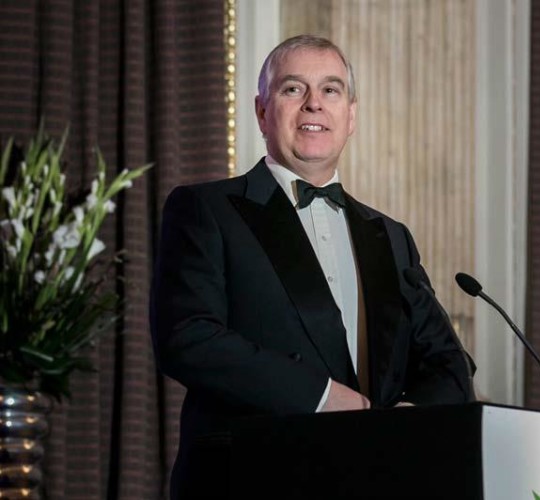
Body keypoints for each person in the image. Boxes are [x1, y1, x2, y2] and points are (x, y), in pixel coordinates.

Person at [150, 34, 474, 497]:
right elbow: (188, 338)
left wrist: (412, 416)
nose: (314, 105)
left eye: (331, 90)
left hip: (373, 480)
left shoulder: (391, 235)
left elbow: (448, 362)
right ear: (262, 111)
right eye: (293, 89)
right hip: (250, 477)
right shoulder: (206, 209)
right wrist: (320, 396)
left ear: (351, 116)